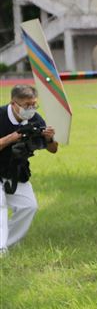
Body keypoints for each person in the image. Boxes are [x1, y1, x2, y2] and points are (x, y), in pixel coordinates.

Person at [0, 85, 58, 253]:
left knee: (29, 206)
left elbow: (53, 149)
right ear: (13, 103)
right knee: (0, 204)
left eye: (34, 104)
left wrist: (50, 138)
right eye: (26, 105)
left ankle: (8, 243)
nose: (31, 109)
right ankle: (1, 249)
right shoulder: (1, 115)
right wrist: (12, 137)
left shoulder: (35, 119)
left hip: (16, 170)